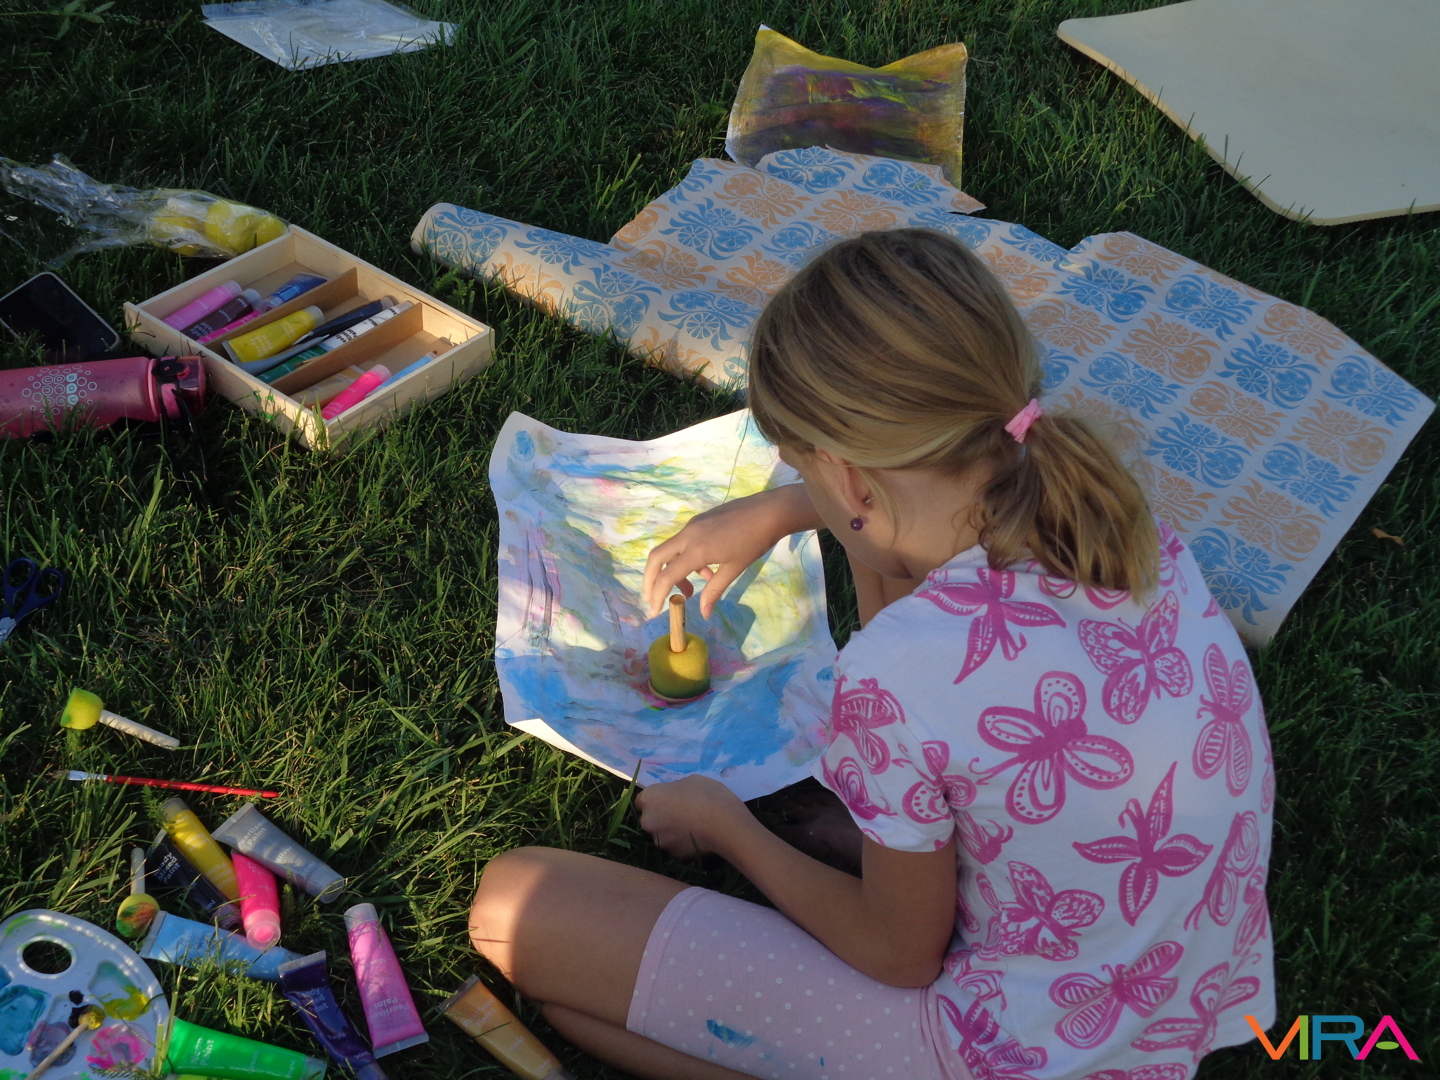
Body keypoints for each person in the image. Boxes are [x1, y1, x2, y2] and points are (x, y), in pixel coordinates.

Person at [468, 228, 1275, 1080]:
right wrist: (786, 509)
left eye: (804, 472)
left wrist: (725, 826)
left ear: (853, 480)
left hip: (1015, 1049)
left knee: (513, 909)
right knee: (575, 1008)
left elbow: (900, 956)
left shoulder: (899, 674)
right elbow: (900, 545)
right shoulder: (1121, 528)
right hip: (1172, 992)